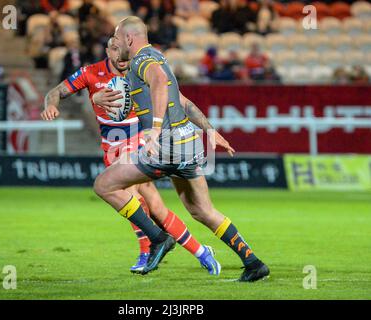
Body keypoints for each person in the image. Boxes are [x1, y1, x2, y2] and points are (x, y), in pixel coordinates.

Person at [93, 16, 270, 281]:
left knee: (104, 185)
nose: (116, 44)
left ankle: (158, 238)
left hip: (167, 145)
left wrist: (153, 128)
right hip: (188, 142)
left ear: (129, 38)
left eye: (117, 39)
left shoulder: (144, 61)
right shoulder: (157, 57)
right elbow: (183, 102)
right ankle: (253, 263)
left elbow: (158, 82)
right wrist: (210, 130)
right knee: (202, 210)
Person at [41, 38, 223, 275]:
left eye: (124, 49)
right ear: (107, 50)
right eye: (115, 49)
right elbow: (55, 92)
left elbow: (175, 99)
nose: (121, 55)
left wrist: (206, 130)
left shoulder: (140, 71)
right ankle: (201, 252)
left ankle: (148, 250)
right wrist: (52, 105)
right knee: (154, 209)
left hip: (139, 144)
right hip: (112, 148)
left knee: (137, 197)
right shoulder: (90, 72)